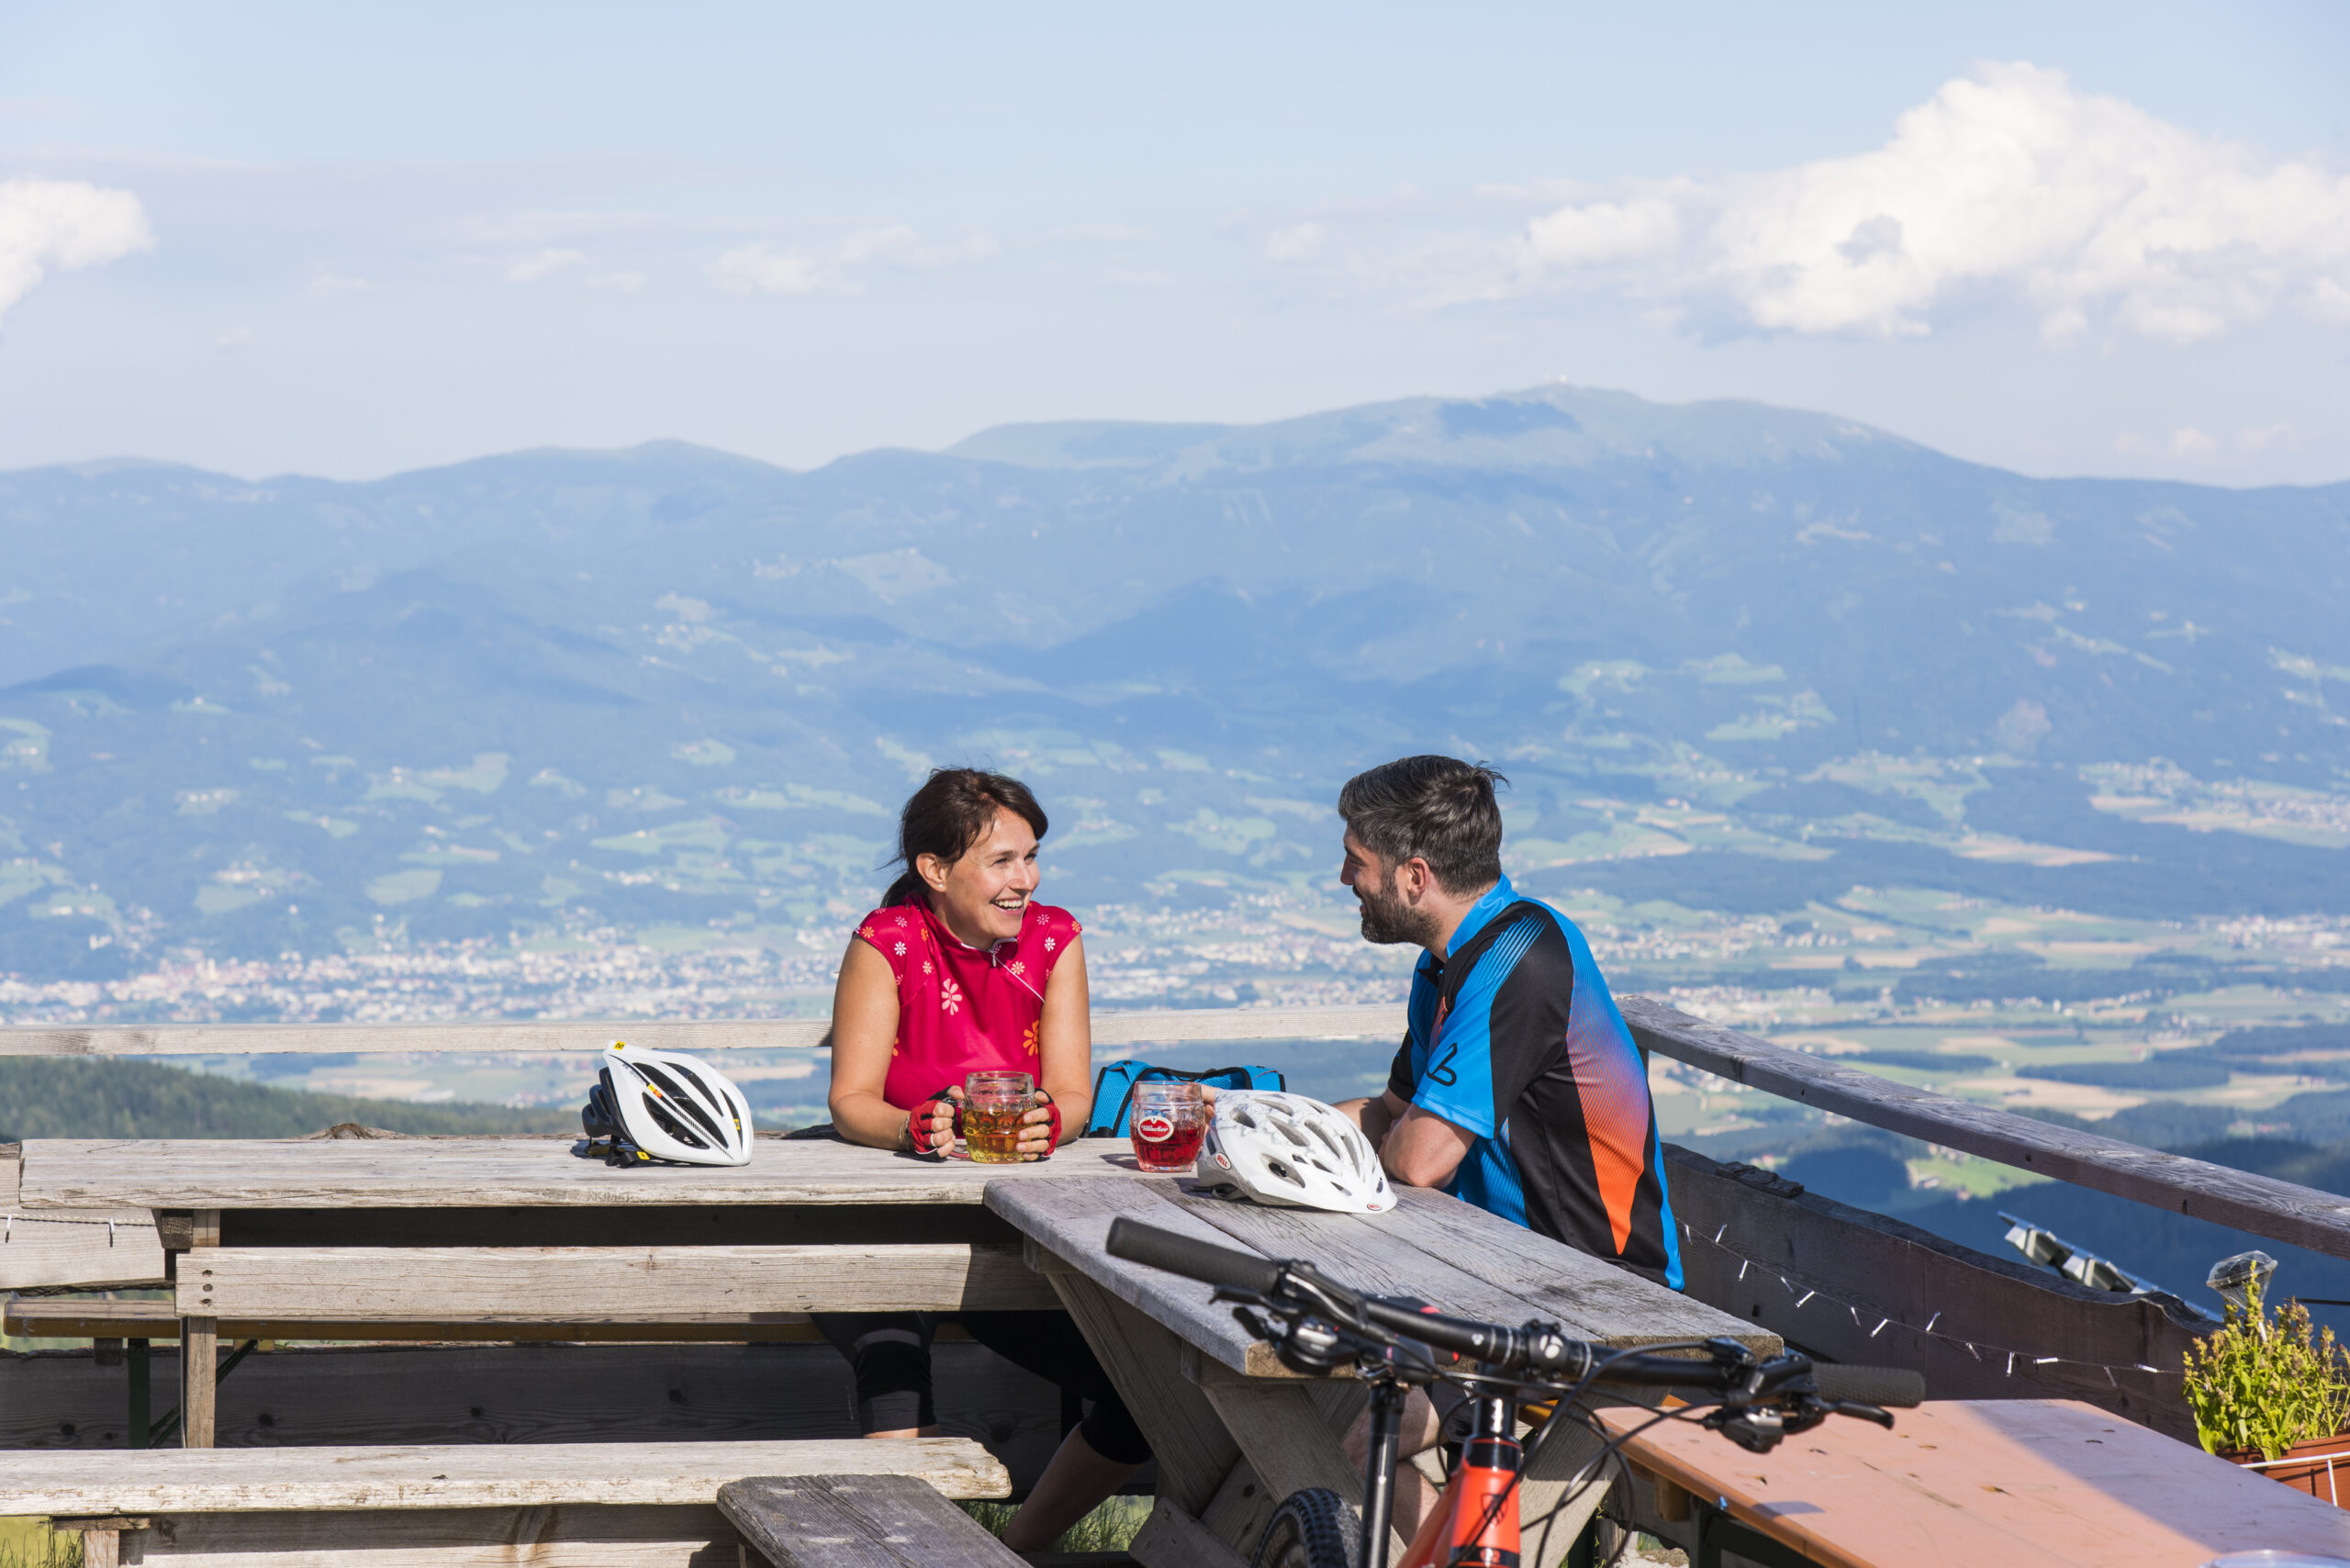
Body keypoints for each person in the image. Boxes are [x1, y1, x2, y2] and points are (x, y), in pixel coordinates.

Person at [1329, 755, 1683, 1532]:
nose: (1343, 877)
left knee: (1362, 1444)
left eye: (1356, 862)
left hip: (1602, 1295)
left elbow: (1417, 1156)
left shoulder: (1518, 958)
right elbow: (1390, 1112)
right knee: (1358, 1432)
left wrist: (1390, 1136)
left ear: (1413, 875)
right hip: (1512, 1280)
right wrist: (1264, 1126)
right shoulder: (1448, 962)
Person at [816, 767, 1149, 1551]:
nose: (1025, 880)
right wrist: (914, 1131)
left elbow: (1070, 1096)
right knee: (893, 1368)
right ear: (935, 871)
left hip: (1005, 1235)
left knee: (1143, 1393)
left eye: (1031, 859)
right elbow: (852, 1101)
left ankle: (1013, 1551)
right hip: (891, 1221)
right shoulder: (887, 940)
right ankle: (902, 1550)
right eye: (1003, 861)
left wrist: (1046, 1124)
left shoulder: (1056, 939)